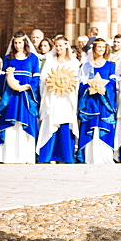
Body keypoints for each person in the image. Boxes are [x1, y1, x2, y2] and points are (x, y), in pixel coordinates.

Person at [0, 31, 40, 163]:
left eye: (20, 42)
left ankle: (25, 156)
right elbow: (2, 77)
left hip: (26, 95)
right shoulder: (8, 58)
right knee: (10, 120)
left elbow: (36, 78)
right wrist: (8, 78)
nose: (17, 45)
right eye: (15, 42)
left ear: (25, 43)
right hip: (11, 96)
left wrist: (26, 87)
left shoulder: (32, 58)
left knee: (25, 121)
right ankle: (8, 156)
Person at [37, 34, 80, 163]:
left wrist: (70, 84)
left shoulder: (73, 62)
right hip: (52, 97)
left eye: (61, 46)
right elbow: (43, 77)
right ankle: (49, 155)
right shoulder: (50, 61)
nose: (59, 48)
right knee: (51, 122)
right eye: (56, 46)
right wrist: (47, 82)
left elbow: (76, 79)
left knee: (65, 123)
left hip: (67, 98)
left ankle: (65, 156)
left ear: (66, 46)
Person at [77, 37, 117, 163]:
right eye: (98, 47)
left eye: (103, 47)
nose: (101, 49)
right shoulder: (86, 66)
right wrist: (89, 87)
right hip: (91, 101)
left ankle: (104, 156)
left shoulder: (110, 65)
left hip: (104, 101)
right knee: (90, 124)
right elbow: (81, 82)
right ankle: (90, 156)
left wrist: (105, 88)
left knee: (103, 125)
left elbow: (113, 82)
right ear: (94, 48)